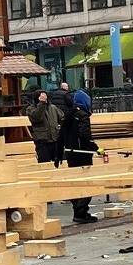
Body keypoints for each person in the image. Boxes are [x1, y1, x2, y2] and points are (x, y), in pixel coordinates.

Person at [60, 86, 98, 223]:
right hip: (83, 153)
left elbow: (62, 135)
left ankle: (77, 211)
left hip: (71, 153)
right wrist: (96, 148)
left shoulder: (68, 115)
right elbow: (84, 135)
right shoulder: (83, 115)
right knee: (88, 183)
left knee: (76, 183)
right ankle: (81, 212)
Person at [27, 90, 63, 165]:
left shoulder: (53, 107)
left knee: (59, 164)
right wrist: (41, 104)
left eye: (45, 96)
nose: (45, 98)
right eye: (42, 97)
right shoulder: (31, 109)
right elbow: (37, 117)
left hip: (55, 140)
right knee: (44, 164)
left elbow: (62, 119)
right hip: (42, 142)